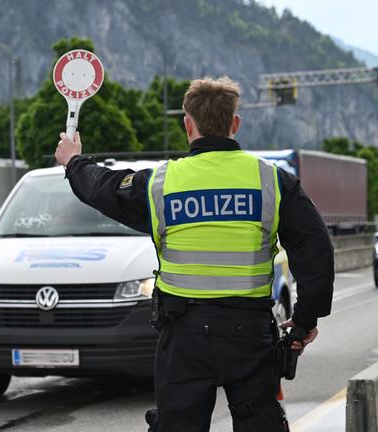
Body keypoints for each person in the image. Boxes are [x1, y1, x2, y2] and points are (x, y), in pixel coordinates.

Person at [54, 77, 333, 432]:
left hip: (183, 335)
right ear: (235, 124)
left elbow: (103, 187)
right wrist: (305, 320)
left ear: (188, 125)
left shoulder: (161, 183)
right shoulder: (272, 181)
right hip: (248, 335)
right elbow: (315, 247)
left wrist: (73, 161)